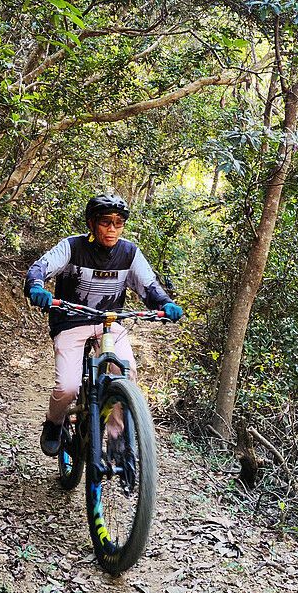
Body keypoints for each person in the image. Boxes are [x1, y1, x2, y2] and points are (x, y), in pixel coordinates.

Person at [24, 193, 183, 456]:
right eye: (105, 222)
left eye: (118, 223)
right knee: (67, 387)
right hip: (71, 321)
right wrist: (37, 287)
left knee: (125, 372)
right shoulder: (72, 247)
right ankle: (54, 423)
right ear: (91, 223)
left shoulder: (129, 253)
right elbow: (40, 268)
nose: (112, 229)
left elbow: (149, 285)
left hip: (109, 322)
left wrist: (165, 304)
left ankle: (117, 435)